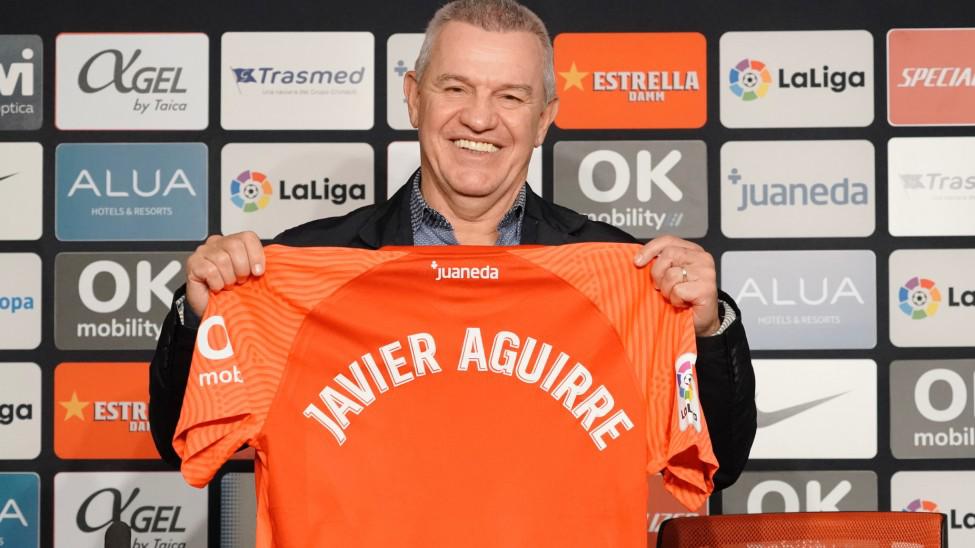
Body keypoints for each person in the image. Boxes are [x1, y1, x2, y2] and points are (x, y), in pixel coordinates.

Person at [149, 0, 755, 494]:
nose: (480, 119)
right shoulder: (303, 269)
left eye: (511, 96)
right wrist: (205, 316)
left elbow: (717, 461)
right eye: (456, 88)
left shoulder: (624, 275)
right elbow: (182, 442)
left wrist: (705, 330)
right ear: (414, 97)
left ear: (545, 119)